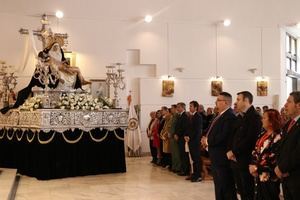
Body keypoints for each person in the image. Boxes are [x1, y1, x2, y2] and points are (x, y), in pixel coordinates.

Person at [227, 91, 262, 200]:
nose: (236, 102)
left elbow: (250, 140)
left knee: (248, 191)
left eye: (238, 99)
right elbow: (233, 136)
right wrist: (230, 150)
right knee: (241, 190)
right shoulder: (240, 116)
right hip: (236, 159)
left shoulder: (254, 117)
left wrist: (234, 151)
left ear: (246, 101)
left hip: (246, 159)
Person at [202, 92, 237, 200]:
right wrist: (204, 137)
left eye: (218, 100)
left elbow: (223, 136)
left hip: (222, 156)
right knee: (219, 185)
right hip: (215, 155)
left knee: (226, 186)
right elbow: (210, 130)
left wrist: (207, 141)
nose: (215, 102)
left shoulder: (229, 116)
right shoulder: (219, 115)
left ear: (225, 102)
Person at [249, 109, 282, 200]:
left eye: (264, 118)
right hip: (258, 173)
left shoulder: (278, 137)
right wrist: (252, 164)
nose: (261, 120)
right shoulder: (262, 134)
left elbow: (273, 157)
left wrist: (257, 167)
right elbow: (256, 151)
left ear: (271, 121)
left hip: (270, 175)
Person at [275, 91, 300, 199]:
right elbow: (282, 147)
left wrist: (283, 168)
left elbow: (298, 152)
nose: (285, 105)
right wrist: (279, 167)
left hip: (296, 177)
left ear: (298, 105)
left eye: (289, 102)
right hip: (286, 177)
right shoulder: (289, 123)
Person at [185, 101, 203, 182]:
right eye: (189, 106)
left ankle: (198, 175)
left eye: (191, 106)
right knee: (193, 158)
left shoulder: (198, 116)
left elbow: (197, 130)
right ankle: (194, 174)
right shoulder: (191, 116)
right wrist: (186, 135)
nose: (189, 108)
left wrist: (190, 137)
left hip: (195, 141)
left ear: (195, 107)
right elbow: (189, 128)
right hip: (190, 140)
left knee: (196, 159)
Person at [174, 102, 190, 176]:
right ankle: (182, 169)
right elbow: (177, 127)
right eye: (177, 107)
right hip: (179, 137)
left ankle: (185, 170)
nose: (177, 108)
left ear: (182, 108)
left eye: (178, 107)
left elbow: (184, 128)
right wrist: (175, 133)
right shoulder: (180, 116)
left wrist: (177, 134)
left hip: (182, 138)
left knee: (184, 155)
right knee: (181, 154)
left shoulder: (185, 116)